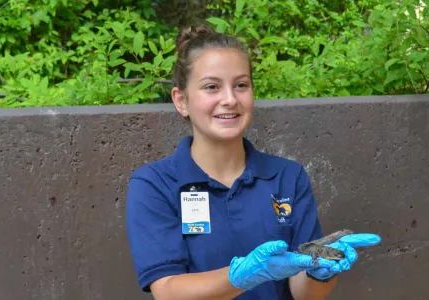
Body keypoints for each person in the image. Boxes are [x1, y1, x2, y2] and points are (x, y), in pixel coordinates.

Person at [125, 24, 381, 300]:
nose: (230, 99)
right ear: (181, 100)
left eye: (241, 85)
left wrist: (319, 271)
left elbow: (304, 294)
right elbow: (167, 290)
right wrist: (242, 276)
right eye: (211, 87)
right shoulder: (154, 184)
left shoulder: (288, 177)